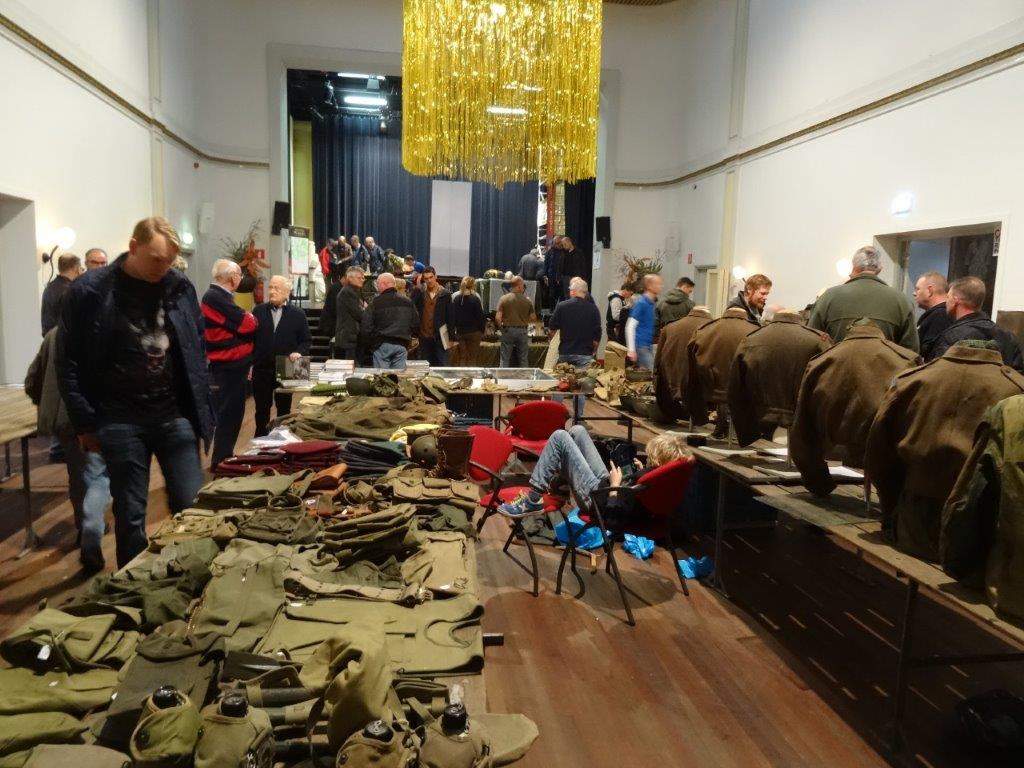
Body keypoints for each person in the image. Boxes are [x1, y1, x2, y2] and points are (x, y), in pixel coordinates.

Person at [56, 216, 213, 568]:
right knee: (130, 515)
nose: (163, 268)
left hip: (175, 415)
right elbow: (67, 362)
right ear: (133, 247)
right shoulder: (90, 291)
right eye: (156, 259)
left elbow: (196, 345)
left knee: (192, 504)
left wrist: (202, 407)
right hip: (120, 420)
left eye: (169, 261)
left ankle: (189, 577)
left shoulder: (179, 286)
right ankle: (134, 586)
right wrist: (84, 423)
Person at [26, 328, 111, 572]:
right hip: (92, 417)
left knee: (78, 474)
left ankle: (84, 525)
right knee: (97, 476)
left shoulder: (53, 335)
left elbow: (32, 380)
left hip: (63, 421)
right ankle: (90, 531)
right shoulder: (102, 329)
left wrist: (45, 402)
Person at [498, 426, 690, 528]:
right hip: (607, 486)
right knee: (578, 431)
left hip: (599, 501)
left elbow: (612, 520)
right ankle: (562, 483)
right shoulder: (658, 477)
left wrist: (615, 487)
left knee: (559, 437)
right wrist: (637, 473)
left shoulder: (648, 481)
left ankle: (532, 499)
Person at [202, 258, 258, 468]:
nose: (241, 279)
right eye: (240, 275)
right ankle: (221, 460)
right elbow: (248, 324)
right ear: (233, 277)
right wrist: (249, 318)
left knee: (233, 413)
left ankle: (224, 457)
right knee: (229, 414)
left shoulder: (219, 296)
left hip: (232, 365)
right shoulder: (216, 296)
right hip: (228, 366)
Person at [809, 246, 919, 350]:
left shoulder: (827, 297)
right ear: (879, 269)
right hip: (885, 364)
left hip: (835, 364)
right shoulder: (902, 301)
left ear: (853, 267)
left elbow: (811, 343)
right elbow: (910, 352)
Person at [252, 275, 311, 437]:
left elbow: (306, 341)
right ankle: (261, 440)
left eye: (276, 288)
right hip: (261, 369)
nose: (272, 291)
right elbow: (250, 340)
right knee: (261, 410)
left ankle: (282, 439)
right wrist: (250, 362)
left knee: (284, 410)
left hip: (287, 368)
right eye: (270, 287)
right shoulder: (258, 311)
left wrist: (299, 352)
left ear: (287, 292)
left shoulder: (298, 314)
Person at [930, 276, 1024, 370]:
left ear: (955, 300)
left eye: (948, 297)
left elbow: (939, 374)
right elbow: (1017, 375)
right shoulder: (1008, 337)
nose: (946, 302)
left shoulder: (951, 337)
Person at [362, 272, 419, 369]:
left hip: (381, 345)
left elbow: (366, 326)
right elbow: (415, 324)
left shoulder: (375, 303)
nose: (377, 287)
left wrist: (371, 344)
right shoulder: (408, 302)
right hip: (402, 345)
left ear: (383, 284)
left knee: (382, 377)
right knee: (398, 376)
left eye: (377, 284)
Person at [550, 277, 602, 367]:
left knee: (564, 376)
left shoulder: (561, 306)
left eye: (570, 290)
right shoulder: (594, 309)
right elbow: (597, 335)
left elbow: (552, 328)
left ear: (573, 292)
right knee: (584, 376)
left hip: (565, 353)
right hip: (585, 354)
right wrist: (593, 351)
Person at [412, 266, 451, 366]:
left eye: (431, 277)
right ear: (423, 279)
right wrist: (414, 332)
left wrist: (451, 337)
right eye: (426, 278)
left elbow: (450, 316)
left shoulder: (445, 294)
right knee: (424, 366)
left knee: (442, 366)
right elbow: (413, 311)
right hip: (423, 336)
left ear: (435, 276)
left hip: (441, 336)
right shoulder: (419, 292)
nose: (429, 280)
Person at [496, 275, 535, 368]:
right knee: (523, 359)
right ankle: (524, 376)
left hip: (508, 330)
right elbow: (533, 318)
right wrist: (525, 319)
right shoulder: (527, 300)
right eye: (523, 285)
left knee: (505, 359)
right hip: (522, 331)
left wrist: (502, 330)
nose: (523, 287)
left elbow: (498, 318)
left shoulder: (503, 299)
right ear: (519, 285)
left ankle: (502, 376)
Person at [626, 273, 663, 369]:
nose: (661, 286)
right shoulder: (641, 303)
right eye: (658, 284)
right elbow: (630, 325)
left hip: (647, 345)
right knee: (651, 373)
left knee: (648, 374)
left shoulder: (651, 303)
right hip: (641, 346)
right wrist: (631, 349)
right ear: (649, 286)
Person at [41, 254, 84, 335]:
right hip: (63, 339)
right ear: (76, 268)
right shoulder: (71, 290)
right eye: (82, 269)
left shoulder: (49, 287)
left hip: (49, 338)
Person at [448, 276, 486, 367]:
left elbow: (452, 317)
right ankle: (472, 375)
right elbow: (480, 317)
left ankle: (462, 374)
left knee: (463, 357)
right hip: (474, 333)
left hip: (460, 332)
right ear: (473, 285)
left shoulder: (456, 298)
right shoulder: (475, 299)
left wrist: (453, 332)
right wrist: (482, 330)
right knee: (472, 358)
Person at [914, 270, 952, 359]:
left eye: (917, 289)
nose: (914, 293)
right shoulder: (938, 314)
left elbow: (932, 355)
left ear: (930, 291)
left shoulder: (940, 316)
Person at [335, 267, 367, 360]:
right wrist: (366, 309)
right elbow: (359, 314)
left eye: (363, 278)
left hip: (351, 337)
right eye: (359, 278)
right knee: (351, 366)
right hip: (349, 338)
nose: (362, 280)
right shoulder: (348, 292)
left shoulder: (354, 291)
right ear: (350, 278)